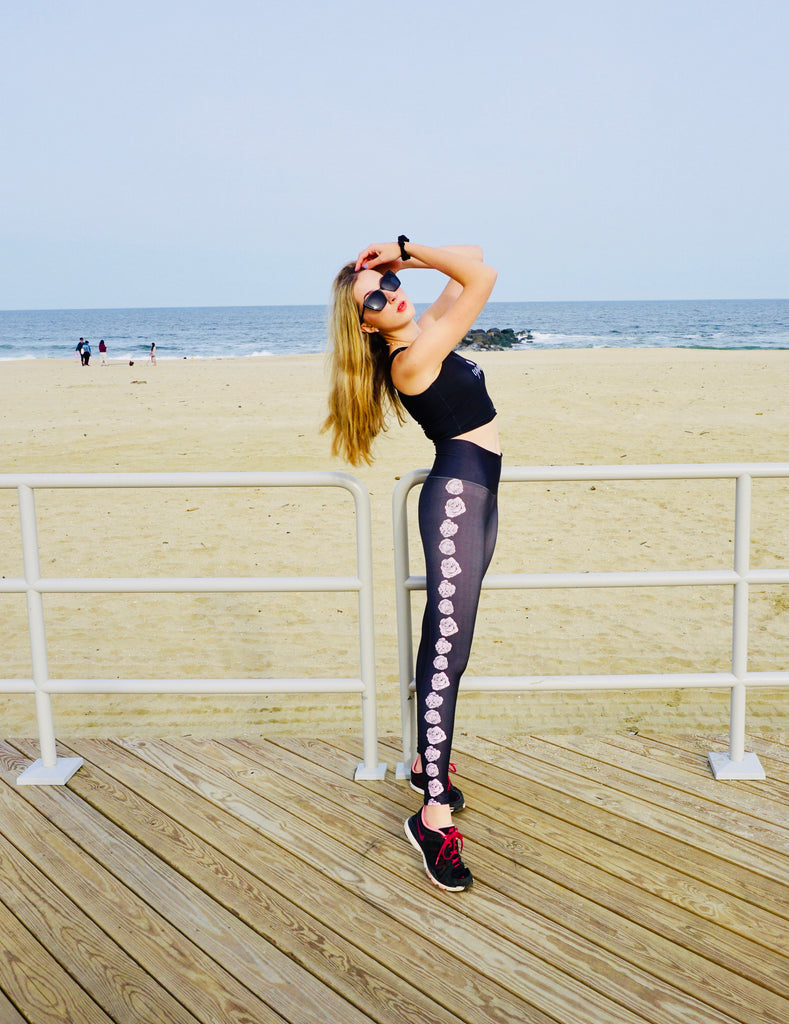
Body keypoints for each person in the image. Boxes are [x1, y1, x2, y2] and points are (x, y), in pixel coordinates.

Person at [324, 237, 500, 892]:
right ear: (366, 327)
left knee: (447, 643)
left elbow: (472, 253)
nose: (389, 298)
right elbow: (481, 277)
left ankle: (431, 768)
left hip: (475, 493)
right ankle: (430, 815)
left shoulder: (421, 331)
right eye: (374, 301)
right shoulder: (411, 358)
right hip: (457, 499)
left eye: (389, 289)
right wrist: (405, 249)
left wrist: (398, 265)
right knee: (448, 649)